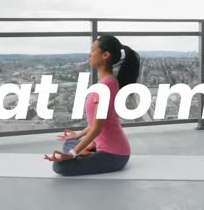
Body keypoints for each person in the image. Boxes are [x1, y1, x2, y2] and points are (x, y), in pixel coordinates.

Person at [44, 35, 140, 176]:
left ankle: (87, 151)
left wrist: (71, 155)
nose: (89, 54)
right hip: (107, 146)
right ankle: (88, 149)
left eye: (93, 50)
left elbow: (97, 128)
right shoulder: (108, 82)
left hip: (114, 155)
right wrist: (77, 135)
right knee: (69, 143)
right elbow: (96, 123)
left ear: (105, 55)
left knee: (60, 167)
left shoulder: (106, 86)